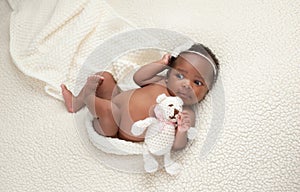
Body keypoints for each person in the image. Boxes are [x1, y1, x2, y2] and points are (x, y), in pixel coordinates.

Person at [61, 43, 219, 150]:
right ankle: (76, 103)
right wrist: (161, 63)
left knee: (110, 111)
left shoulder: (185, 112)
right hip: (116, 99)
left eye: (198, 83)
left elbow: (178, 146)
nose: (186, 85)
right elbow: (138, 78)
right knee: (105, 77)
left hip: (114, 127)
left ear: (207, 92)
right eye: (180, 76)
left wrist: (183, 131)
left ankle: (90, 98)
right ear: (169, 72)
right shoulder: (162, 81)